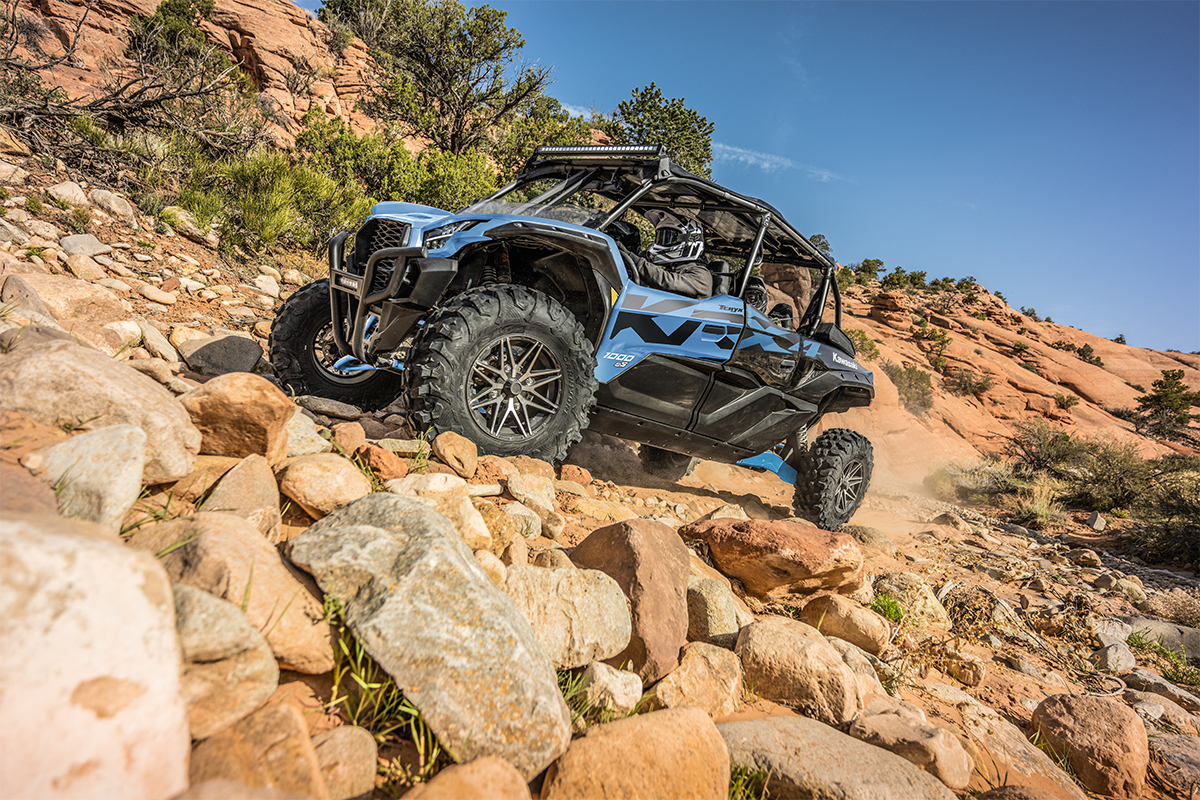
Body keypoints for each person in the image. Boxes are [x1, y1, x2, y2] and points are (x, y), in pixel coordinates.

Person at [612, 210, 712, 299]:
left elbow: (667, 281)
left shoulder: (702, 276)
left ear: (690, 241)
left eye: (668, 238)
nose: (660, 243)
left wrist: (633, 259)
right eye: (661, 237)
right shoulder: (674, 269)